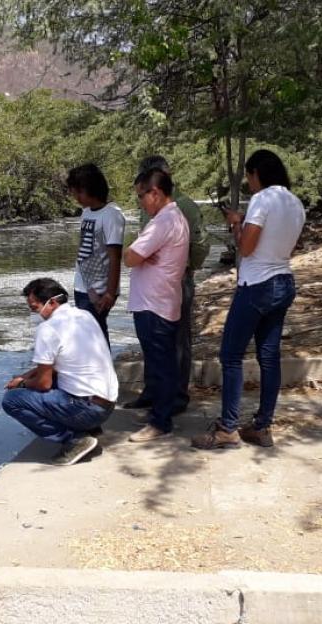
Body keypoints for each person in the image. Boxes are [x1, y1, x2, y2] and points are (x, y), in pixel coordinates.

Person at [192, 150, 304, 450]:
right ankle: (263, 426)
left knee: (231, 355)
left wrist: (235, 224)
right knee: (269, 358)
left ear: (257, 174)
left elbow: (247, 248)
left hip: (256, 285)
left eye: (249, 176)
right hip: (283, 280)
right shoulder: (294, 203)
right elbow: (282, 246)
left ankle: (227, 428)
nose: (248, 182)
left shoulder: (262, 200)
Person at [121, 155, 209, 416]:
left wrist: (183, 265)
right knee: (156, 348)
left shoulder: (183, 208)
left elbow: (201, 245)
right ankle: (153, 394)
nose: (140, 202)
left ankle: (174, 400)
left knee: (175, 345)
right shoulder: (160, 209)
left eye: (142, 195)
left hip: (172, 283)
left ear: (157, 187)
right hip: (156, 286)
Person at [1, 278, 118, 466]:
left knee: (12, 400)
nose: (34, 312)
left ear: (52, 302)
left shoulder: (47, 329)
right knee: (51, 378)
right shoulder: (85, 316)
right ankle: (91, 429)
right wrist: (26, 375)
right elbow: (61, 362)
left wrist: (21, 383)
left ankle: (74, 439)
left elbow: (43, 384)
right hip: (107, 404)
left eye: (34, 307)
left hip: (87, 409)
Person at [124, 168, 189, 442]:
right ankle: (159, 411)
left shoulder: (164, 222)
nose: (140, 202)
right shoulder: (172, 218)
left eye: (142, 196)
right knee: (161, 362)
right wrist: (139, 253)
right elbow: (137, 255)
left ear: (156, 193)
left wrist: (137, 251)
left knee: (161, 363)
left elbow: (130, 257)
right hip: (160, 300)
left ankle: (160, 422)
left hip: (155, 304)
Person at [66, 164, 125, 344]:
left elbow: (115, 256)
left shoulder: (111, 215)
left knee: (95, 336)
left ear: (86, 190)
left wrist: (109, 292)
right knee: (88, 336)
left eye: (77, 193)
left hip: (100, 289)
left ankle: (104, 371)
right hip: (83, 285)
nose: (75, 197)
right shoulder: (86, 213)